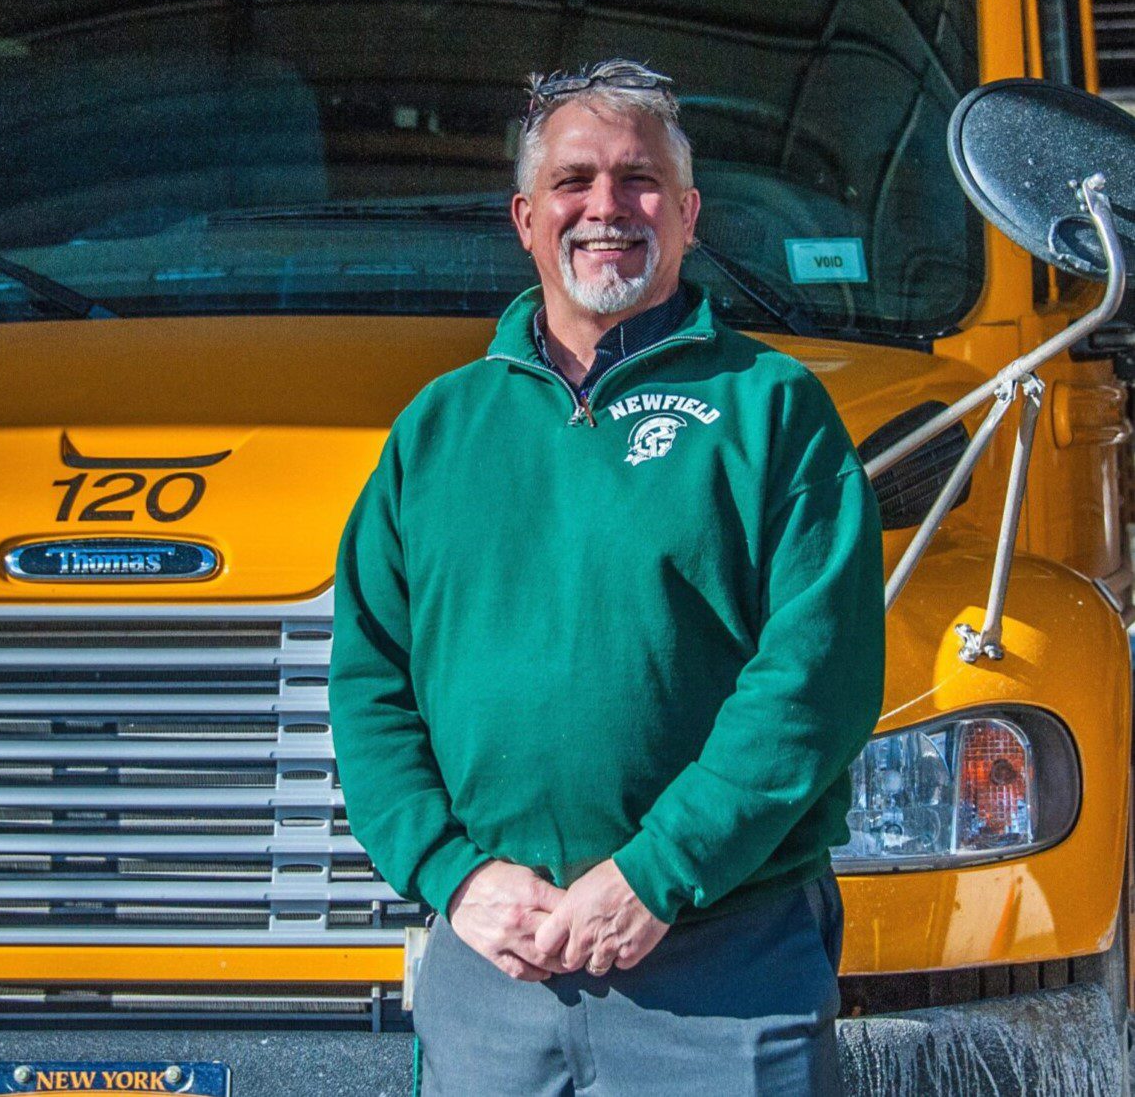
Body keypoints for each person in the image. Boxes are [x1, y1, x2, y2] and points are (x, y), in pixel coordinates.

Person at [327, 59, 885, 1095]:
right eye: (573, 181)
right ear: (524, 218)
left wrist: (655, 872)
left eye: (638, 181)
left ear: (687, 214)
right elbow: (371, 686)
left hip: (721, 963)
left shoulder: (772, 409)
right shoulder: (435, 431)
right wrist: (455, 876)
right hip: (493, 963)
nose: (606, 207)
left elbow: (815, 679)